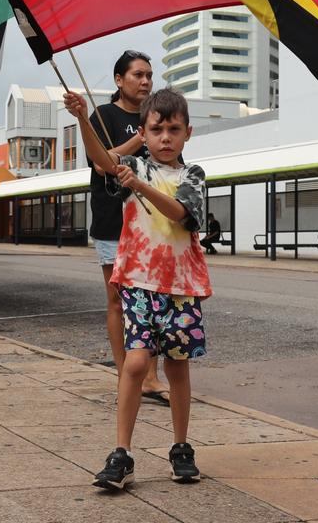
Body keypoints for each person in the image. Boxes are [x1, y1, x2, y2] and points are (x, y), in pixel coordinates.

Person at [63, 88, 210, 490]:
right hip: (139, 284)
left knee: (177, 366)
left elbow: (181, 214)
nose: (165, 137)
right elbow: (101, 159)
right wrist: (82, 119)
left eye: (173, 130)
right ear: (143, 133)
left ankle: (181, 446)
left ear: (187, 133)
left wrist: (141, 186)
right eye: (157, 129)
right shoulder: (131, 167)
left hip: (181, 288)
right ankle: (121, 453)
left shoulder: (192, 176)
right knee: (134, 364)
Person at [84, 51, 169, 404]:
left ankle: (149, 375)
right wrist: (141, 138)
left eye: (149, 75)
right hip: (113, 220)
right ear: (119, 80)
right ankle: (126, 375)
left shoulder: (157, 116)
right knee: (118, 300)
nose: (146, 81)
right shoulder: (103, 115)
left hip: (151, 220)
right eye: (138, 75)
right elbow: (103, 163)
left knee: (154, 299)